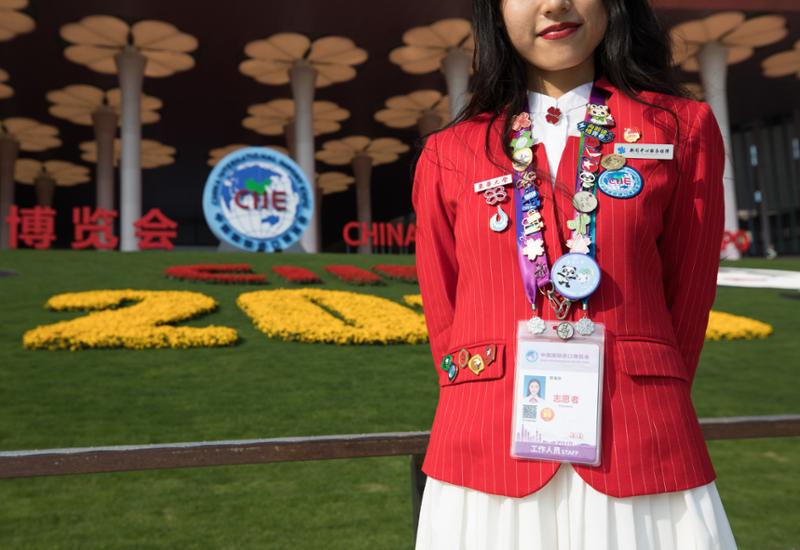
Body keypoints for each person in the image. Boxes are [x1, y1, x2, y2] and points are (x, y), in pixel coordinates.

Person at [410, 0, 739, 548]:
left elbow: (689, 293)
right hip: (486, 445)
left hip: (638, 440)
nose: (555, 5)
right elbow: (443, 308)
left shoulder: (680, 129)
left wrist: (646, 389)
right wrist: (477, 395)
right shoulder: (450, 152)